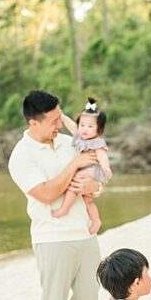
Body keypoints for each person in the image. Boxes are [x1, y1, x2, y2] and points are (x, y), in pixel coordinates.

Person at [8, 90, 105, 300]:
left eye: (59, 117)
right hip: (51, 239)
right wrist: (74, 166)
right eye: (52, 121)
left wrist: (94, 186)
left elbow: (96, 178)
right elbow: (48, 194)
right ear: (33, 123)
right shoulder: (21, 157)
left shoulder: (69, 143)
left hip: (85, 234)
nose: (58, 126)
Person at [51, 96, 113, 235]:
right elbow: (71, 125)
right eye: (82, 125)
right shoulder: (79, 136)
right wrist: (62, 115)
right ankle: (96, 220)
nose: (84, 129)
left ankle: (64, 208)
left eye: (90, 126)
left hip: (91, 170)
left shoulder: (97, 143)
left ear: (99, 129)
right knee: (88, 201)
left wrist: (106, 168)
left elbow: (102, 156)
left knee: (75, 182)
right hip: (84, 170)